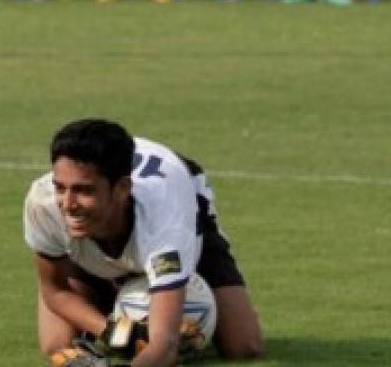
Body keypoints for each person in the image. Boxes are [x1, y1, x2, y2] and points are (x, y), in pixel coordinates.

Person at [24, 118, 264, 366]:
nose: (68, 204)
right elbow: (56, 291)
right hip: (106, 236)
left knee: (243, 344)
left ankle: (149, 288)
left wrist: (155, 340)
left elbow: (164, 347)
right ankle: (111, 300)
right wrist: (113, 331)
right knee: (57, 344)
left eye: (85, 191)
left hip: (179, 207)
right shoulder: (44, 204)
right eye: (60, 187)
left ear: (122, 188)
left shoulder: (167, 223)